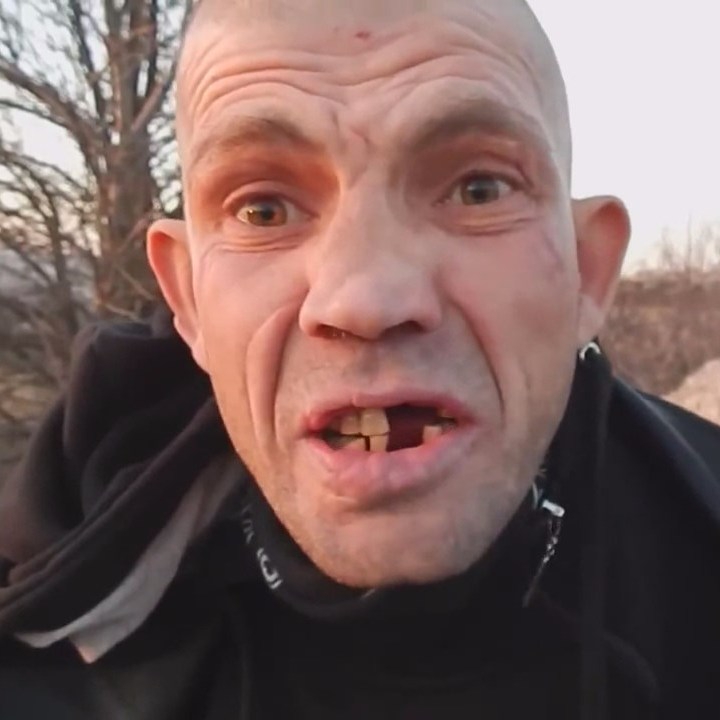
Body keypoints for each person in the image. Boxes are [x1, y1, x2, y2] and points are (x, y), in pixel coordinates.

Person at [0, 0, 718, 717]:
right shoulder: (42, 660)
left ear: (588, 272)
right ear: (188, 298)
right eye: (263, 210)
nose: (365, 302)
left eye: (478, 189)